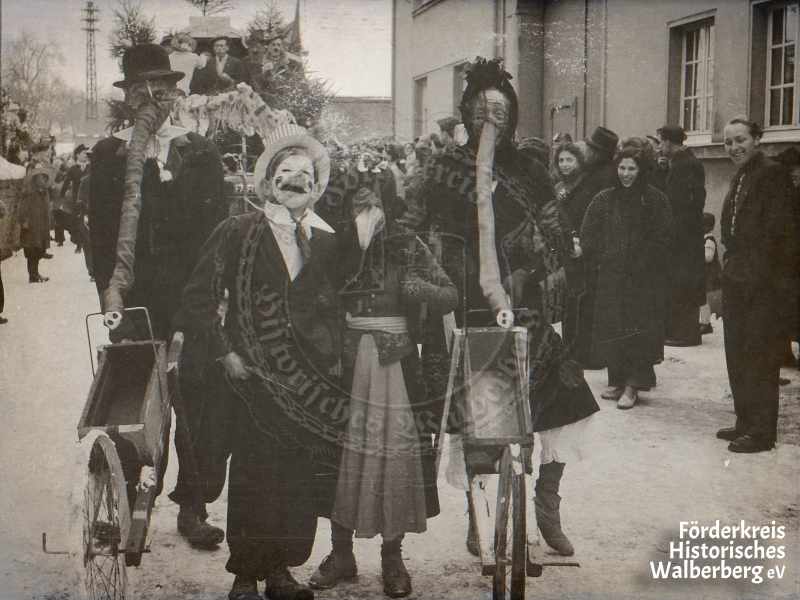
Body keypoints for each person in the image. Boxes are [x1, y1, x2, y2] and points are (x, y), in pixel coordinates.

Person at [400, 57, 599, 558]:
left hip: (524, 305)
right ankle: (481, 513)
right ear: (467, 114)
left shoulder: (529, 169)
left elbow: (555, 235)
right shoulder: (442, 170)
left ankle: (546, 507)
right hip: (464, 308)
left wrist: (534, 266)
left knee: (560, 403)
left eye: (501, 111)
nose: (492, 120)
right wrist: (442, 278)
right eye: (483, 111)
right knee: (480, 414)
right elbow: (415, 235)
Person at [182, 124, 342, 600]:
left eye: (306, 175)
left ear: (316, 188)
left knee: (295, 474)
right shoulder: (238, 230)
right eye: (286, 173)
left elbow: (336, 304)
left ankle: (281, 572)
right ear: (269, 182)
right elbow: (198, 299)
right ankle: (246, 575)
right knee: (255, 472)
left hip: (307, 381)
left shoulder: (326, 240)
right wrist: (225, 351)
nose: (296, 181)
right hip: (251, 375)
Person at [90, 43, 230, 549]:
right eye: (142, 87)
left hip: (192, 299)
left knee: (200, 400)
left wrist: (210, 300)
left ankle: (193, 506)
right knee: (129, 403)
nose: (154, 95)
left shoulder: (200, 151)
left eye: (163, 87)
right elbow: (100, 237)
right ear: (129, 97)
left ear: (175, 93)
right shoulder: (109, 155)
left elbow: (218, 232)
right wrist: (112, 296)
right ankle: (121, 504)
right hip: (133, 301)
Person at [308, 154, 455, 599]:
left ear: (388, 203)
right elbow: (311, 301)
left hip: (396, 367)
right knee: (342, 457)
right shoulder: (332, 247)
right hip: (345, 367)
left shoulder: (410, 246)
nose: (365, 210)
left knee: (394, 459)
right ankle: (341, 554)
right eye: (357, 202)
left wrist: (418, 290)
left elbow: (449, 293)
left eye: (373, 201)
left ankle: (393, 557)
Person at [715, 118, 799, 453]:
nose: (734, 148)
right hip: (737, 277)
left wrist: (763, 280)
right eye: (728, 143)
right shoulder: (742, 174)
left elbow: (781, 235)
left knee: (760, 356)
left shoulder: (772, 174)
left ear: (757, 140)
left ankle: (762, 432)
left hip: (762, 284)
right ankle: (744, 422)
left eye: (740, 140)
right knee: (737, 352)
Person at [581, 139, 673, 409]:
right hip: (612, 275)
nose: (626, 174)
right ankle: (618, 379)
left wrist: (646, 263)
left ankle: (634, 385)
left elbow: (665, 237)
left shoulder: (654, 199)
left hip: (643, 279)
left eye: (632, 169)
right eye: (622, 168)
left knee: (639, 329)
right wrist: (596, 256)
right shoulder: (606, 198)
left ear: (641, 170)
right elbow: (589, 232)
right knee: (612, 326)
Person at [560, 126, 619, 368]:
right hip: (583, 246)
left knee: (587, 305)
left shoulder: (604, 175)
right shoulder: (593, 172)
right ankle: (580, 351)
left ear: (598, 152)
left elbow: (597, 214)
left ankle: (587, 354)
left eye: (591, 148)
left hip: (590, 250)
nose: (586, 150)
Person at [658, 125, 707, 347]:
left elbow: (682, 203)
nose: (659, 147)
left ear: (669, 142)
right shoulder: (682, 163)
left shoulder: (684, 165)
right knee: (681, 283)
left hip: (684, 236)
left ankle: (686, 334)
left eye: (660, 142)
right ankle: (682, 332)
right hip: (685, 234)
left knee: (684, 283)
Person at [18, 167, 52, 283]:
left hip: (40, 226)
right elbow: (22, 208)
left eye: (44, 178)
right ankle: (33, 275)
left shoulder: (44, 192)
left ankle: (35, 274)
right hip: (31, 227)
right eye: (41, 178)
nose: (43, 180)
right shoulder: (30, 193)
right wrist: (24, 221)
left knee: (38, 250)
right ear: (36, 179)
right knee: (31, 251)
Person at [60, 144, 90, 253]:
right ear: (77, 155)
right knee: (77, 221)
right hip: (76, 199)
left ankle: (87, 241)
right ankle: (79, 243)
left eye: (86, 153)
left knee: (87, 221)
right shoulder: (73, 169)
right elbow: (66, 183)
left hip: (88, 200)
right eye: (83, 153)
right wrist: (62, 196)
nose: (86, 155)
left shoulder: (90, 167)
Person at [699, 212, 722, 335]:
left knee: (703, 299)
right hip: (705, 273)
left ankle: (706, 323)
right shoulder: (704, 239)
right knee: (702, 299)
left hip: (709, 274)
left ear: (708, 227)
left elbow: (708, 257)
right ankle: (704, 321)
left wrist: (696, 255)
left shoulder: (709, 240)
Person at [169, 32, 206, 97]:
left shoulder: (169, 57)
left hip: (170, 88)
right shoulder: (193, 56)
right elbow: (202, 65)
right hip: (184, 89)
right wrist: (203, 56)